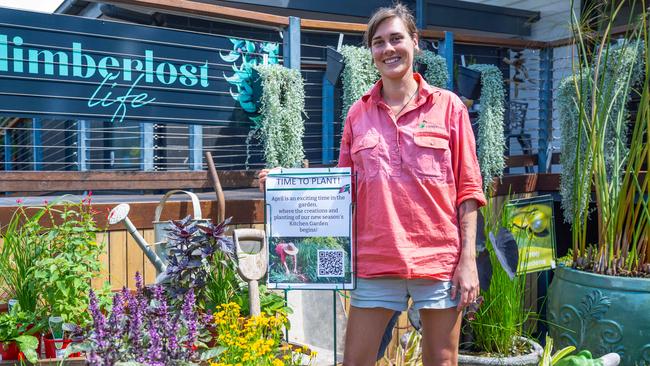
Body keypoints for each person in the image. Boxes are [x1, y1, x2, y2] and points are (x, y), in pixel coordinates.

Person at [260, 3, 485, 365]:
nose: (388, 49)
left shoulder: (449, 108)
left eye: (396, 38)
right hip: (376, 259)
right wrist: (284, 187)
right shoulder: (357, 113)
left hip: (439, 260)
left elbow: (469, 189)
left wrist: (468, 261)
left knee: (442, 362)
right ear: (372, 52)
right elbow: (341, 188)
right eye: (378, 42)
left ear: (415, 42)